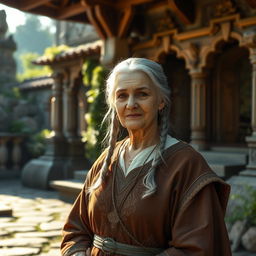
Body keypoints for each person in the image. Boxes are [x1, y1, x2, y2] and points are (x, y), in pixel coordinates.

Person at [61, 58, 231, 256]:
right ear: (114, 104)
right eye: (122, 96)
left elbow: (196, 248)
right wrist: (77, 252)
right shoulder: (106, 159)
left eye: (142, 94)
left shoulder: (186, 164)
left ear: (160, 101)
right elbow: (76, 228)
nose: (131, 104)